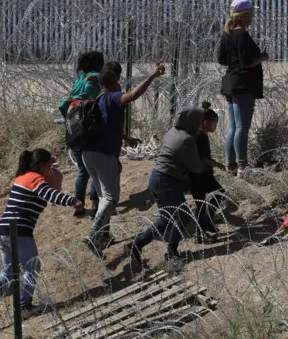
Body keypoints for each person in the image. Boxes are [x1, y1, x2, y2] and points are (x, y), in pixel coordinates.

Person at [0, 149, 83, 321]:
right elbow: (51, 195)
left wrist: (52, 167)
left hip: (2, 230)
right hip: (19, 230)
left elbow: (48, 188)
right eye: (47, 167)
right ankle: (24, 307)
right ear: (40, 166)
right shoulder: (34, 178)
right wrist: (73, 201)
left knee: (8, 273)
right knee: (33, 267)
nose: (49, 171)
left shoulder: (22, 178)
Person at [82, 62, 166, 257]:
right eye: (118, 82)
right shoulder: (112, 97)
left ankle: (102, 239)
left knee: (104, 198)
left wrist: (126, 138)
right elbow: (133, 95)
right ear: (112, 82)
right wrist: (153, 76)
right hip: (104, 154)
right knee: (111, 199)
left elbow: (105, 126)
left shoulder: (98, 100)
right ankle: (93, 235)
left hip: (88, 154)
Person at [125, 106, 209, 271]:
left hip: (158, 178)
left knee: (172, 218)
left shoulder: (173, 131)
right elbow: (196, 166)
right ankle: (160, 249)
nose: (202, 125)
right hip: (166, 181)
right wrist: (207, 166)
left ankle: (148, 246)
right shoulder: (187, 139)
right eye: (200, 122)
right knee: (177, 217)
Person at [218, 0, 269, 178]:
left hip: (231, 83)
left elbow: (222, 59)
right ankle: (242, 166)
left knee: (234, 127)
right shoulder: (242, 35)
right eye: (251, 13)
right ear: (244, 15)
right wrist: (262, 57)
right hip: (242, 85)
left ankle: (230, 165)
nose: (253, 17)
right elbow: (248, 62)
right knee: (242, 128)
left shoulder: (228, 33)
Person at [59, 51, 104, 216]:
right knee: (94, 168)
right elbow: (96, 98)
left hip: (74, 128)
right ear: (100, 64)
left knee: (83, 170)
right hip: (89, 128)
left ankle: (78, 204)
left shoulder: (80, 78)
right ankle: (94, 203)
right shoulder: (94, 77)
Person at [191, 101, 226, 243]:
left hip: (202, 174)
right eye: (214, 123)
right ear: (204, 123)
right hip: (198, 175)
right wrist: (217, 164)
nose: (215, 126)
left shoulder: (201, 135)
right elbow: (203, 158)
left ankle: (204, 224)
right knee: (205, 201)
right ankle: (202, 229)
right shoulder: (199, 136)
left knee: (213, 196)